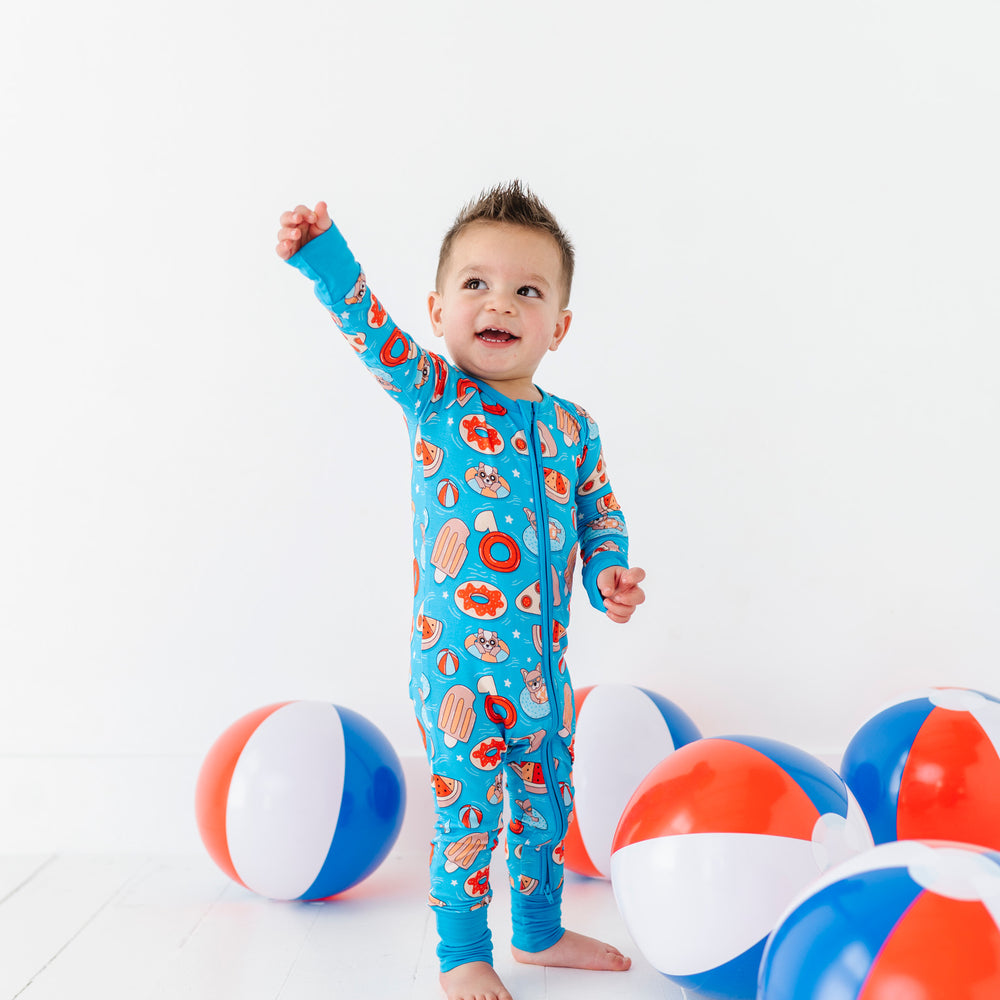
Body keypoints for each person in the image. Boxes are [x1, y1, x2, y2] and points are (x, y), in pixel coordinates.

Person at [276, 182, 646, 1000]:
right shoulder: (436, 395)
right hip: (460, 681)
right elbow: (370, 331)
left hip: (547, 682)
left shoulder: (574, 427)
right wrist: (323, 258)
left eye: (527, 290)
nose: (500, 304)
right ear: (439, 310)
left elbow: (598, 511)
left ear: (560, 325)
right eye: (476, 284)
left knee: (548, 816)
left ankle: (540, 931)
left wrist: (610, 570)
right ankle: (462, 953)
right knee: (468, 822)